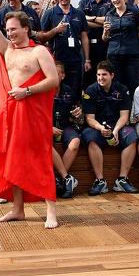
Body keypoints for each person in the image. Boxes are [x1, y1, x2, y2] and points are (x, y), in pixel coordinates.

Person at [0, 0, 59, 228]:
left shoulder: (39, 52)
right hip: (11, 114)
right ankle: (17, 209)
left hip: (33, 114)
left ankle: (51, 211)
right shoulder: (7, 50)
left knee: (40, 158)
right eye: (8, 29)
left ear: (26, 28)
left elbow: (53, 80)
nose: (10, 33)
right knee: (13, 159)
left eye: (13, 29)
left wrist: (27, 91)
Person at [81, 61, 139, 195]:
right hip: (96, 125)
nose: (101, 78)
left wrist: (115, 131)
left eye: (104, 75)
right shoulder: (90, 90)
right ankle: (100, 181)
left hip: (117, 124)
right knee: (91, 138)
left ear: (112, 75)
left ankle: (122, 179)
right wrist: (101, 128)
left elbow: (125, 116)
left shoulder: (122, 89)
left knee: (132, 136)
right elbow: (89, 118)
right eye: (98, 75)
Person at [39, 0, 90, 98]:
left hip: (75, 59)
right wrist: (56, 30)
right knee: (55, 89)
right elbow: (41, 37)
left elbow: (84, 37)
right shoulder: (50, 13)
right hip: (56, 59)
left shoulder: (79, 14)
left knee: (74, 90)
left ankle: (74, 113)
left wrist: (87, 60)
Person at [101, 0, 139, 98]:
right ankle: (119, 112)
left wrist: (131, 36)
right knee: (116, 85)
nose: (115, 0)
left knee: (135, 84)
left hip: (131, 54)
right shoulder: (109, 14)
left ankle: (136, 113)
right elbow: (105, 39)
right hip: (113, 54)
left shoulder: (135, 12)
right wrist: (106, 31)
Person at [51, 61, 82, 198]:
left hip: (65, 126)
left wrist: (76, 114)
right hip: (47, 127)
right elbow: (36, 116)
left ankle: (59, 179)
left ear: (62, 75)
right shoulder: (43, 92)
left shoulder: (68, 91)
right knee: (46, 145)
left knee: (75, 141)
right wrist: (49, 128)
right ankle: (67, 177)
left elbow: (74, 114)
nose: (52, 76)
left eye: (56, 73)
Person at [78, 0, 113, 87]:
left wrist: (90, 18)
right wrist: (101, 22)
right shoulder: (84, 3)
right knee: (86, 78)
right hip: (87, 47)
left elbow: (111, 21)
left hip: (105, 46)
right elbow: (81, 22)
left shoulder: (111, 3)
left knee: (104, 78)